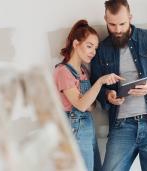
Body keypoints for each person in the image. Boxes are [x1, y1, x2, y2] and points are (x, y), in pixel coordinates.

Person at [90, 0, 147, 170]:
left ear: (130, 17)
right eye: (112, 24)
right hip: (122, 127)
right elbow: (96, 85)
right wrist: (108, 95)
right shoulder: (102, 49)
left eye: (122, 23)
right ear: (105, 19)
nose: (118, 29)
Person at [53, 19, 123, 171]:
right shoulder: (62, 72)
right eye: (89, 46)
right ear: (76, 44)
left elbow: (91, 107)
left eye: (95, 48)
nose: (93, 52)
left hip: (87, 127)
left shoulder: (84, 72)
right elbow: (82, 105)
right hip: (75, 129)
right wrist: (100, 82)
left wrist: (90, 98)